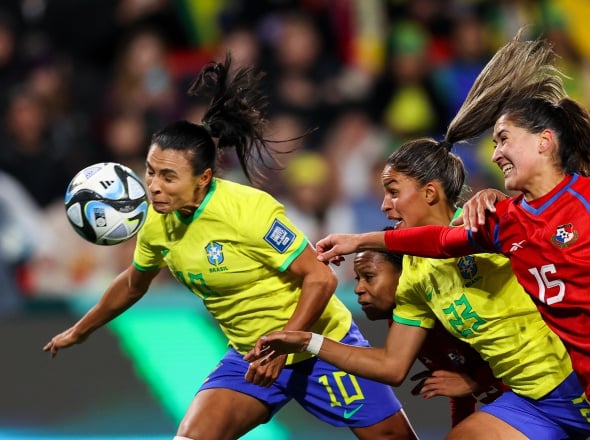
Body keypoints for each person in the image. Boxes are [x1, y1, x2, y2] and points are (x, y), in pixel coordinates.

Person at [309, 42, 590, 440]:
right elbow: (442, 241)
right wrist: (359, 240)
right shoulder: (505, 222)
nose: (496, 151)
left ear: (544, 141)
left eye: (504, 138)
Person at [42, 54, 418, 440]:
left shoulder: (248, 210)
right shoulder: (154, 221)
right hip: (251, 355)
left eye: (168, 176)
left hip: (320, 347)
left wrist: (284, 347)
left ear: (204, 178)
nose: (153, 185)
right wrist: (81, 330)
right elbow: (133, 284)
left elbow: (320, 278)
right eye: (151, 171)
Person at [248, 134, 590, 439]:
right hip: (529, 400)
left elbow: (447, 241)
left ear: (430, 192)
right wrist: (307, 341)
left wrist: (358, 240)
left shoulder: (481, 221)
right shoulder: (415, 274)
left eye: (393, 192)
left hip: (581, 378)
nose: (385, 205)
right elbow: (392, 365)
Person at [352, 246, 507, 427]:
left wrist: (477, 383)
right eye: (358, 279)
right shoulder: (403, 322)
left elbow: (528, 360)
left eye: (368, 277)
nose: (358, 288)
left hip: (538, 407)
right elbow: (456, 383)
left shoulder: (455, 306)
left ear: (406, 272)